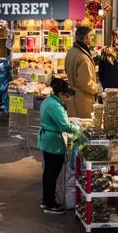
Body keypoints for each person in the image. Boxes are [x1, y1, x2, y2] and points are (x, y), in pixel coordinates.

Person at [37, 78, 80, 214]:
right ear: (60, 94)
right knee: (52, 173)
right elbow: (64, 125)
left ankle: (46, 200)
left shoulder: (49, 101)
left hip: (47, 139)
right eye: (66, 96)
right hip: (53, 142)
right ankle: (50, 204)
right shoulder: (55, 106)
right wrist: (79, 130)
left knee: (48, 173)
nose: (67, 99)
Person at [65, 26, 100, 118]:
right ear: (85, 38)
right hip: (83, 100)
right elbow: (86, 83)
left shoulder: (70, 52)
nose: (93, 38)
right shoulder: (83, 58)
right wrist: (97, 88)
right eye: (91, 36)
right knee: (84, 128)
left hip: (72, 98)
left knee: (74, 126)